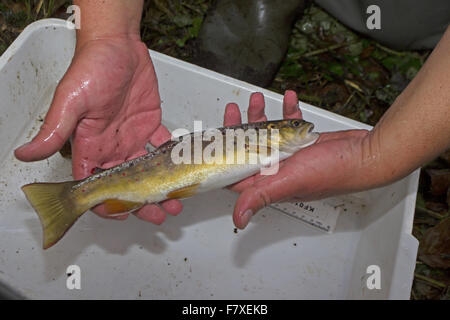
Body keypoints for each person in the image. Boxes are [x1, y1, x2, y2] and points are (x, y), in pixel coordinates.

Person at [14, 0, 450, 230]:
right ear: (276, 136)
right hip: (174, 164)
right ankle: (73, 196)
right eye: (295, 126)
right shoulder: (266, 145)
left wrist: (380, 155)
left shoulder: (269, 146)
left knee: (404, 19)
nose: (303, 129)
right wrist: (109, 33)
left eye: (295, 126)